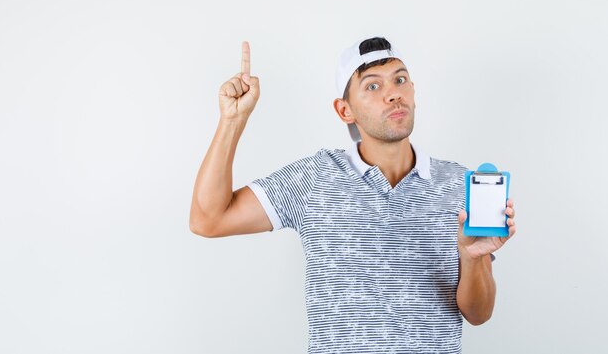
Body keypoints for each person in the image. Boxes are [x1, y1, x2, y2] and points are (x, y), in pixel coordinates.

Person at [190, 36, 517, 353]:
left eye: (400, 80)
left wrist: (472, 260)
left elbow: (478, 314)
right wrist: (233, 120)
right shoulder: (314, 177)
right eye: (373, 86)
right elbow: (209, 219)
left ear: (414, 92)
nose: (393, 94)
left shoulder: (459, 183)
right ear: (345, 110)